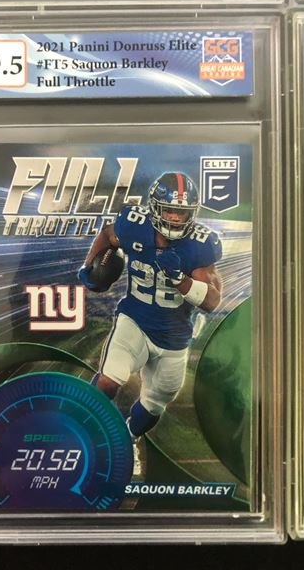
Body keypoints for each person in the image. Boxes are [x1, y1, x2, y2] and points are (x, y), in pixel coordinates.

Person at [78, 172, 223, 473]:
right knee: (109, 378)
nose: (175, 218)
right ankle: (82, 437)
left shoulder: (200, 245)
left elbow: (211, 301)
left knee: (156, 403)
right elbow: (108, 235)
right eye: (169, 210)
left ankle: (127, 438)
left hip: (174, 338)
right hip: (135, 320)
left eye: (181, 212)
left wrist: (180, 280)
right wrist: (89, 265)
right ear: (155, 208)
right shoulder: (133, 224)